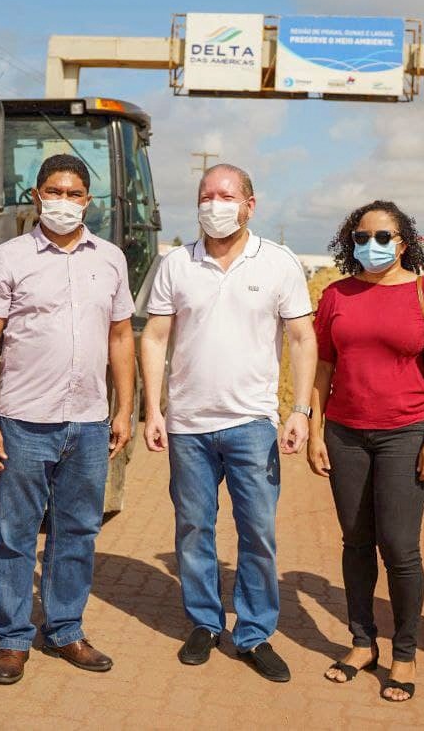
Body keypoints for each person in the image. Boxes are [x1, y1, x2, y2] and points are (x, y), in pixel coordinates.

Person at [140, 163, 318, 683]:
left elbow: (303, 339)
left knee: (257, 532)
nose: (214, 205)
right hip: (188, 426)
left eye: (226, 195)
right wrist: (153, 408)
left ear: (249, 204)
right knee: (194, 528)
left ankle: (255, 632)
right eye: (206, 195)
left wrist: (300, 409)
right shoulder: (176, 264)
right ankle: (203, 622)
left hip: (252, 425)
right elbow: (154, 338)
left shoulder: (280, 263)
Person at [0, 154, 136, 686]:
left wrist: (124, 409)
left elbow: (120, 338)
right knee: (16, 533)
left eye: (74, 193)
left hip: (88, 421)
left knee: (77, 532)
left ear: (88, 200)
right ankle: (13, 638)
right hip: (23, 420)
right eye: (54, 191)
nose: (64, 201)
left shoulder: (110, 258)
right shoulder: (9, 257)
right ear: (37, 195)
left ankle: (65, 629)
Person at [307, 201, 424, 702]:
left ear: (403, 242)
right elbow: (323, 368)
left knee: (399, 546)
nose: (370, 244)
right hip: (346, 433)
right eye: (360, 235)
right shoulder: (336, 295)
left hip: (405, 434)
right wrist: (316, 430)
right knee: (356, 541)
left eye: (381, 235)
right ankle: (362, 642)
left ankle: (405, 652)